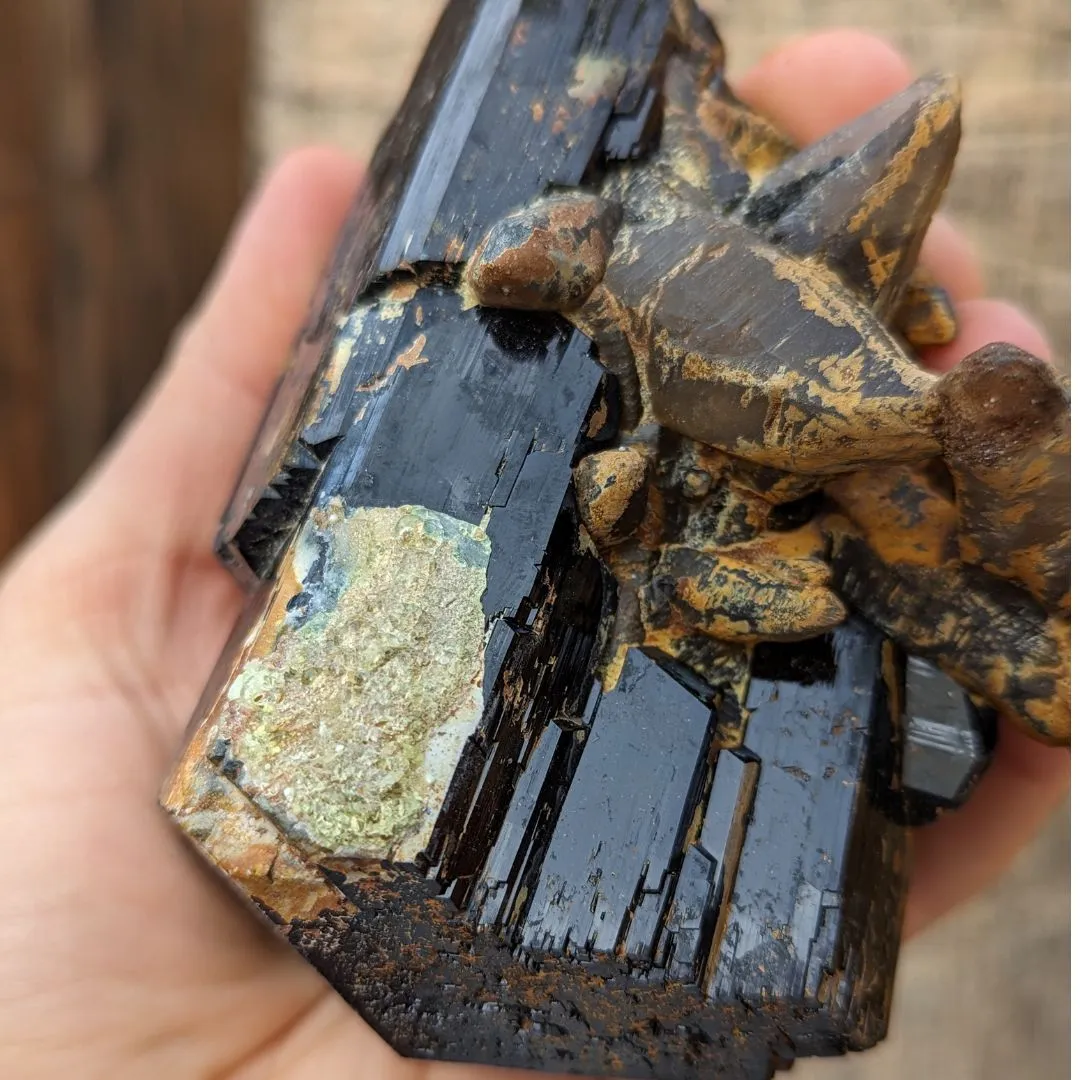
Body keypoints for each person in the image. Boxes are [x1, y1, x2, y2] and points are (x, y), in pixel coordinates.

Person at [0, 29, 1066, 1080]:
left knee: (906, 471)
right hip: (781, 451)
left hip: (801, 438)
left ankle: (1008, 563)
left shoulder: (659, 268)